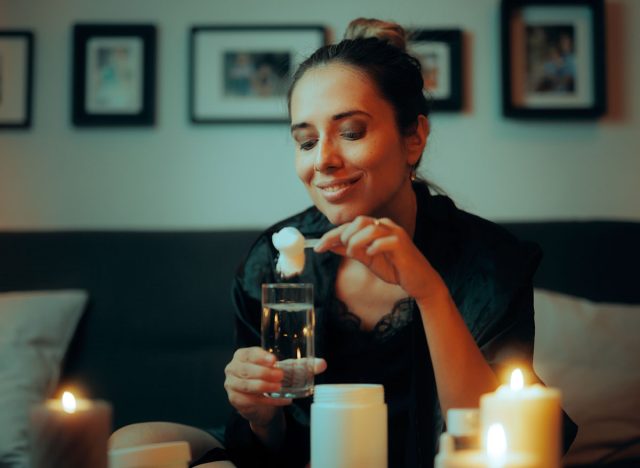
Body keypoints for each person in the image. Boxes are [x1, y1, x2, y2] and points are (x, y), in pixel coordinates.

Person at [110, 17, 577, 468]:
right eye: (307, 141)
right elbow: (270, 446)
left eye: (351, 133)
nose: (324, 161)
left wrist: (430, 293)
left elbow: (492, 439)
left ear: (413, 138)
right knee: (131, 444)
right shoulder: (272, 262)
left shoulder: (489, 263)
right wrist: (261, 415)